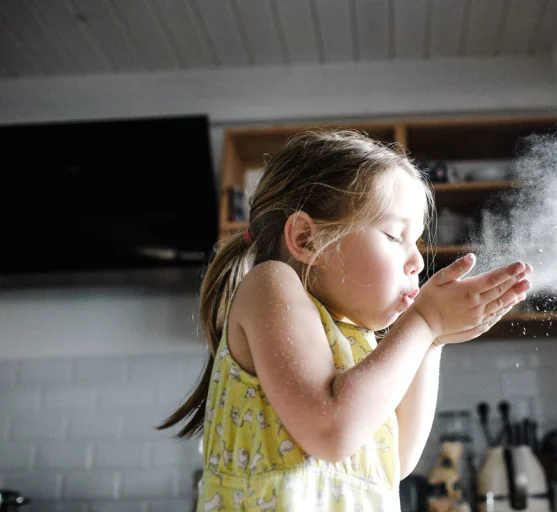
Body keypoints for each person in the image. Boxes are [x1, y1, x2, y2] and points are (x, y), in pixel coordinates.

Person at [158, 129, 532, 511]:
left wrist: (432, 340)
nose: (417, 262)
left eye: (417, 242)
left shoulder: (358, 341)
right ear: (307, 239)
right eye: (393, 235)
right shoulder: (270, 285)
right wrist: (423, 323)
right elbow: (332, 432)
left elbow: (399, 460)